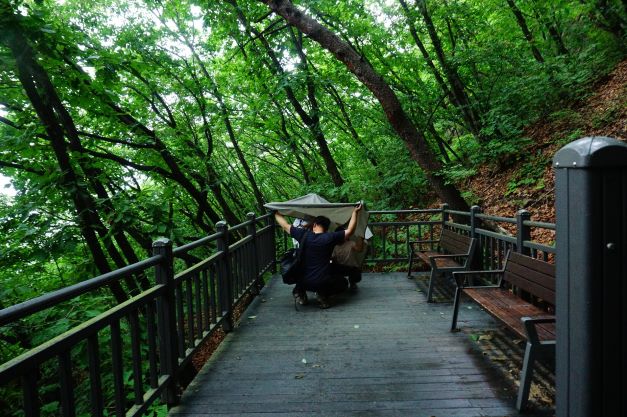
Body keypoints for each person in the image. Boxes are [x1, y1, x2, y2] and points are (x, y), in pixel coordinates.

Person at [275, 204, 362, 308]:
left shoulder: (303, 235)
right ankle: (323, 294)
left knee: (304, 272)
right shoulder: (330, 237)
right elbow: (350, 230)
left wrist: (276, 213)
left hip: (303, 282)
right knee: (343, 283)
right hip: (322, 282)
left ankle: (300, 292)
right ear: (326, 228)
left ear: (314, 225)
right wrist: (354, 212)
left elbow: (284, 225)